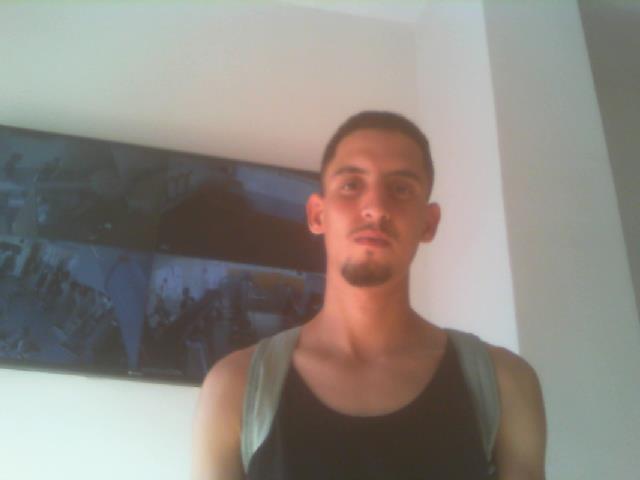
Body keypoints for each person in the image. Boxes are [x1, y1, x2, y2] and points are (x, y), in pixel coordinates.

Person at [192, 111, 546, 479]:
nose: (376, 207)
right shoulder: (234, 389)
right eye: (351, 184)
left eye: (401, 189)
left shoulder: (505, 386)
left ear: (429, 223)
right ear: (317, 215)